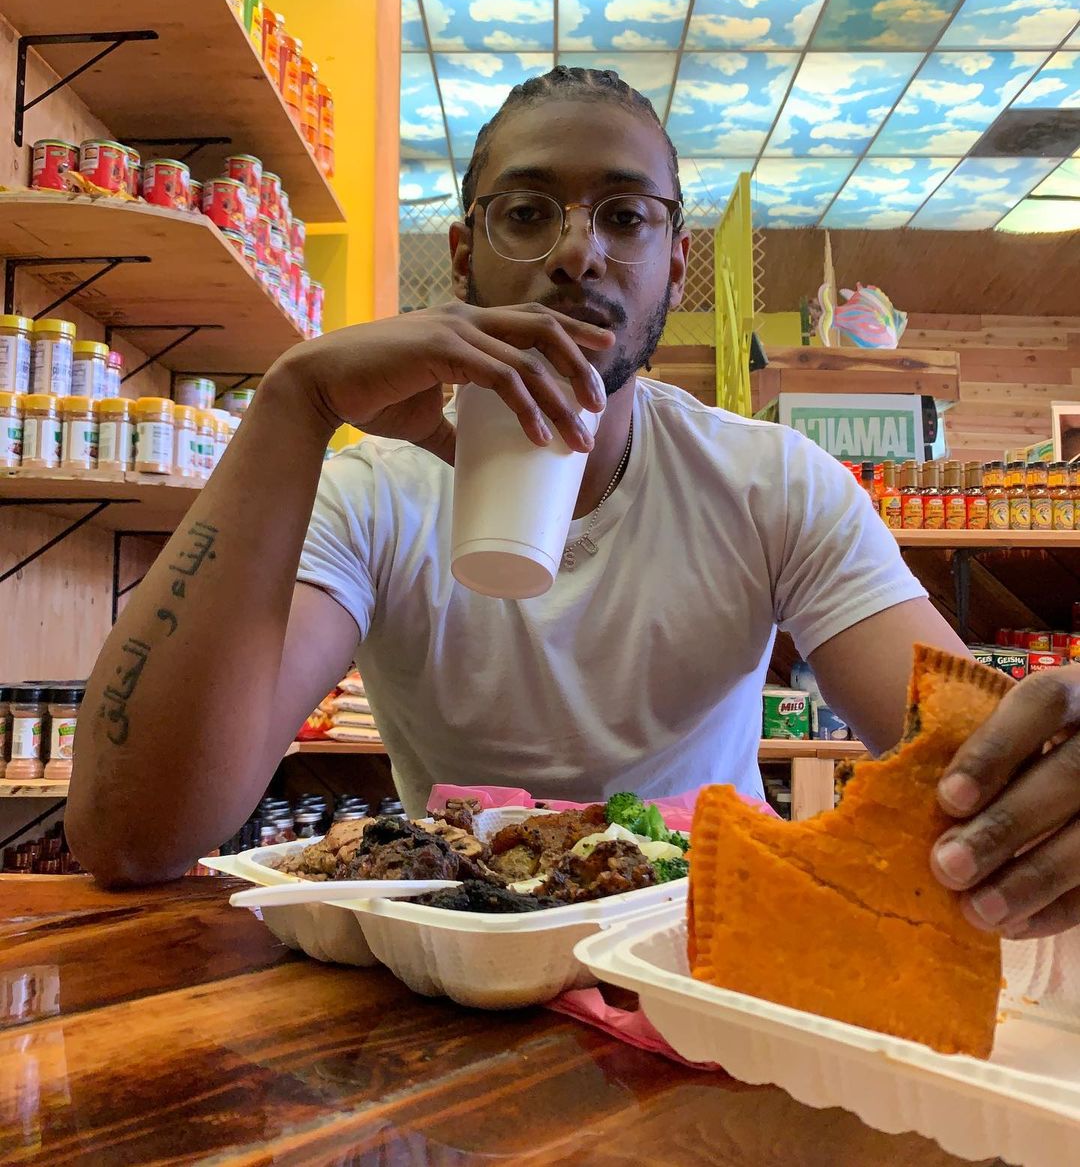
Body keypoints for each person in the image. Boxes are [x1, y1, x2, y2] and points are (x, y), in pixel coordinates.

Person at [68, 67, 1080, 943]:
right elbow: (130, 834)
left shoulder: (774, 483)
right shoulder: (372, 495)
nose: (577, 253)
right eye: (526, 211)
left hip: (699, 965)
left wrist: (1050, 768)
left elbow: (971, 770)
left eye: (626, 216)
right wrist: (294, 404)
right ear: (463, 255)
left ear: (675, 264)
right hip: (454, 977)